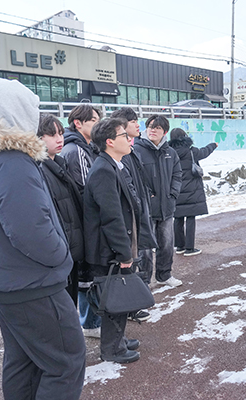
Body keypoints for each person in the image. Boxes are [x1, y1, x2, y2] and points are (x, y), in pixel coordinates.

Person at [0, 78, 85, 398]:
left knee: (23, 359)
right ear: (15, 111)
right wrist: (61, 257)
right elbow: (30, 228)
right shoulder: (11, 158)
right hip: (31, 283)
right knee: (65, 361)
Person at [83, 117, 141, 364]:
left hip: (113, 248)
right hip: (109, 250)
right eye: (123, 136)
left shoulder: (112, 164)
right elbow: (111, 217)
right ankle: (111, 349)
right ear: (109, 141)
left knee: (119, 297)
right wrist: (123, 253)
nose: (129, 139)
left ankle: (117, 340)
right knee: (114, 298)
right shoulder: (104, 170)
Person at [111, 107, 157, 322]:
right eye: (133, 121)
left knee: (141, 256)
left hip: (139, 212)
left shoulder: (132, 150)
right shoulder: (118, 156)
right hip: (130, 218)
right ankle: (131, 306)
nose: (138, 125)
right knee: (131, 259)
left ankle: (137, 300)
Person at [60, 104, 102, 338]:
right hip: (82, 223)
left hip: (81, 223)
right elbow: (88, 192)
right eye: (93, 120)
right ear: (78, 123)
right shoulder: (75, 150)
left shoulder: (86, 147)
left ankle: (90, 321)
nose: (97, 124)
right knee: (86, 273)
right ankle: (90, 323)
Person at [37, 114, 85, 307]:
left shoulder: (59, 163)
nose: (59, 139)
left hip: (70, 250)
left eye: (60, 133)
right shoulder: (39, 169)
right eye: (51, 134)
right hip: (59, 254)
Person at [133, 115, 183, 287]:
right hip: (146, 209)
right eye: (151, 126)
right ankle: (144, 281)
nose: (153, 130)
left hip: (166, 208)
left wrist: (173, 194)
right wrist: (145, 198)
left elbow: (177, 174)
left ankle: (164, 275)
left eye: (158, 128)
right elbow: (134, 178)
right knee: (145, 249)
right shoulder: (136, 150)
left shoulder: (170, 152)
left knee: (167, 244)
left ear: (165, 132)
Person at [168, 128, 217, 256]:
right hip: (191, 189)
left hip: (176, 189)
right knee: (190, 217)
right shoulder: (191, 151)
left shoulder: (169, 152)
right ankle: (190, 248)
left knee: (177, 218)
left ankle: (180, 247)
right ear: (184, 137)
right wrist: (213, 145)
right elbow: (204, 152)